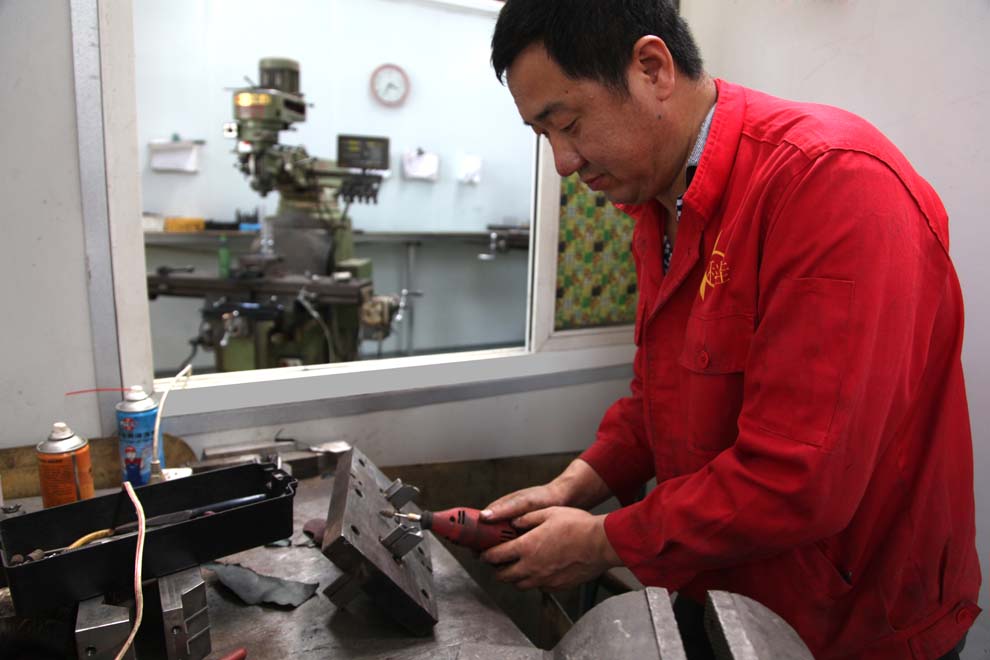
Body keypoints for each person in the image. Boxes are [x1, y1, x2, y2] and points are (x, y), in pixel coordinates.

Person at [479, 2, 981, 658]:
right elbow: (658, 401)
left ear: (652, 68)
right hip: (723, 587)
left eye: (567, 124)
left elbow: (799, 481)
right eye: (542, 135)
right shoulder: (659, 206)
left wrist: (601, 542)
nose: (563, 162)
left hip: (852, 622)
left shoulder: (829, 183)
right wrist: (572, 485)